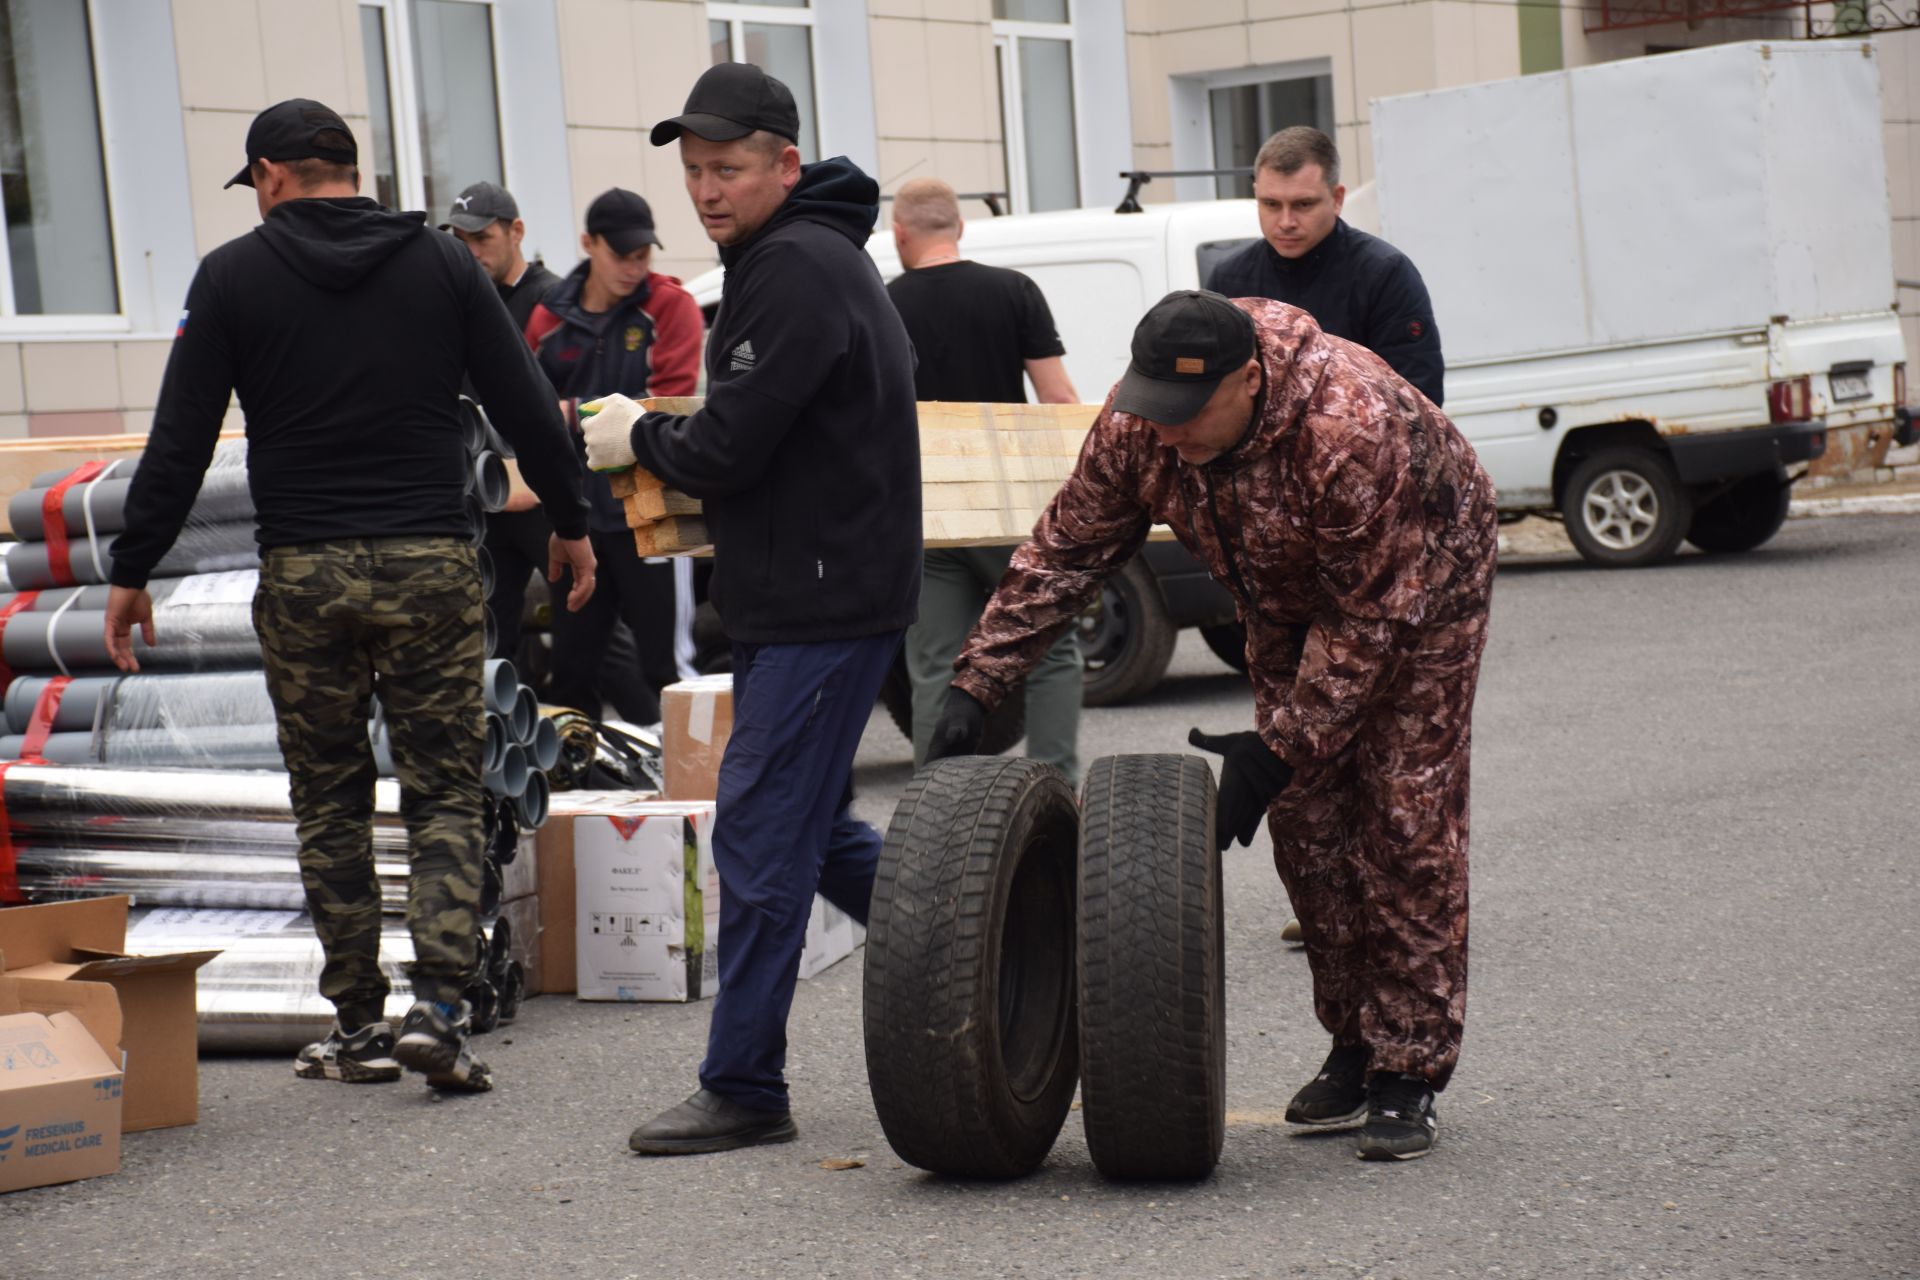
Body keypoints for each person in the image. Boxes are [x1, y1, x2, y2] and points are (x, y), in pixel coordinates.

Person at [927, 290, 1496, 1161]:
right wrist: (978, 681)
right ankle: (1353, 1043)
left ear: (1250, 380)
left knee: (1402, 814)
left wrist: (1276, 749)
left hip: (1422, 585)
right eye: (1157, 412)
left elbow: (1373, 625)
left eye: (1188, 416)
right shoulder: (1139, 421)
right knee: (1308, 823)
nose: (1169, 435)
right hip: (1286, 595)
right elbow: (1067, 550)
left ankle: (1407, 1070)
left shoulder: (1349, 431)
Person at [102, 99, 597, 1094]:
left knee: (328, 798)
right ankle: (444, 1013)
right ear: (348, 170)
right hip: (428, 561)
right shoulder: (445, 264)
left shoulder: (233, 278)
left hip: (303, 574)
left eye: (257, 184)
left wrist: (130, 568)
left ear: (276, 173)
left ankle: (363, 1025)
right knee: (447, 789)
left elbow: (182, 438)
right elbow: (524, 406)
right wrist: (572, 524)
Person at [581, 62, 919, 1155]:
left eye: (727, 168)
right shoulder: (794, 261)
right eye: (692, 170)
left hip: (824, 602)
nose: (706, 189)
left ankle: (744, 1083)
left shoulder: (793, 270)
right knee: (817, 833)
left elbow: (732, 443)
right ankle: (1011, 938)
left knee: (763, 832)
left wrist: (641, 435)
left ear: (786, 163)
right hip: (818, 596)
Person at [885, 177, 1084, 783]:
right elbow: (1058, 398)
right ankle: (1055, 790)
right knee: (1048, 647)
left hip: (928, 511)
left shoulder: (884, 302)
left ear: (899, 234)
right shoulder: (1014, 291)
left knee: (936, 665)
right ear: (961, 227)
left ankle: (936, 806)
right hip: (1008, 508)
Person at [524, 188, 702, 724]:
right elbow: (534, 411)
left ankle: (702, 791)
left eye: (643, 254)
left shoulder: (672, 307)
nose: (634, 267)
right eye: (622, 254)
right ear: (588, 243)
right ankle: (579, 794)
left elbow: (663, 407)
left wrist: (572, 410)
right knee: (574, 671)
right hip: (578, 517)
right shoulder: (545, 319)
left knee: (668, 669)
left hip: (655, 510)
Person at [1205, 127, 1444, 407]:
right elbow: (1212, 389)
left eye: (1303, 204)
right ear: (1256, 195)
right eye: (1271, 204)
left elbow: (1418, 399)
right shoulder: (1229, 279)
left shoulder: (1384, 274)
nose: (1286, 221)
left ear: (1338, 199)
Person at [441, 180, 563, 662]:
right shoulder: (466, 299)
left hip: (540, 493)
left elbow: (558, 405)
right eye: (461, 241)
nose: (471, 252)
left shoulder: (551, 299)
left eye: (482, 238)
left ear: (516, 232)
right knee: (490, 630)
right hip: (486, 492)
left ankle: (632, 723)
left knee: (584, 627)